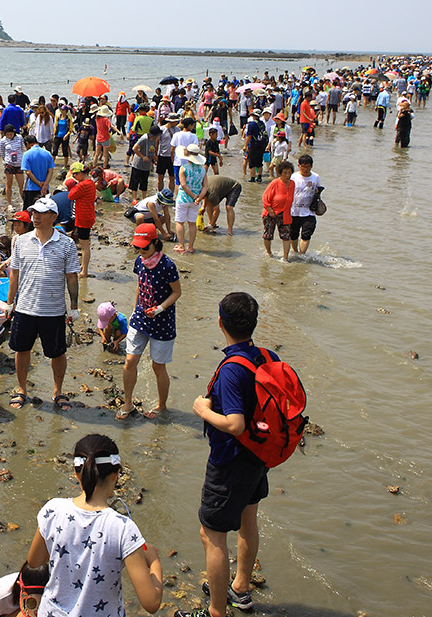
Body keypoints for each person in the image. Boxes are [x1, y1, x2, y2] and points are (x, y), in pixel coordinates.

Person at [179, 292, 276, 617]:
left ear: (221, 323)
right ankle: (240, 589)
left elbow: (234, 424)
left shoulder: (233, 369)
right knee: (248, 521)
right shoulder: (266, 355)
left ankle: (216, 611)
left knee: (212, 535)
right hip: (258, 458)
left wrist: (201, 410)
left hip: (230, 461)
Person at [23, 434, 164, 617]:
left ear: (76, 473)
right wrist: (154, 561)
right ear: (116, 475)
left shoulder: (53, 510)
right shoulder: (123, 528)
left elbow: (34, 561)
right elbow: (151, 603)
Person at [5, 197, 80, 412]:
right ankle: (21, 389)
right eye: (33, 212)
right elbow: (14, 275)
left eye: (41, 212)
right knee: (21, 349)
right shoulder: (21, 241)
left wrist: (74, 307)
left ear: (53, 217)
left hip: (54, 309)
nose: (35, 216)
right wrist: (9, 303)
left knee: (57, 352)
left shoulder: (66, 244)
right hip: (25, 307)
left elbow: (72, 277)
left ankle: (57, 391)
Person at [118, 224, 181, 420]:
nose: (141, 252)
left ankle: (162, 405)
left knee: (158, 366)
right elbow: (140, 285)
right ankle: (128, 403)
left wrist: (161, 308)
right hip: (140, 318)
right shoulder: (139, 261)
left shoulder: (168, 266)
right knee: (130, 361)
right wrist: (135, 309)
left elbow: (177, 292)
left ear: (155, 243)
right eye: (138, 248)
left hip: (163, 322)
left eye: (145, 248)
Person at [65, 162, 97, 279]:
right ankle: (83, 267)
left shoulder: (82, 185)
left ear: (80, 173)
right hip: (88, 215)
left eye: (74, 175)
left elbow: (70, 196)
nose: (73, 177)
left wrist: (71, 182)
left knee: (84, 246)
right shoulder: (91, 183)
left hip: (83, 217)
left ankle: (84, 270)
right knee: (85, 244)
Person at [174, 144, 206, 254]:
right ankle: (191, 247)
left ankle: (182, 246)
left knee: (180, 222)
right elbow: (205, 186)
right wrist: (198, 198)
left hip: (183, 198)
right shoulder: (203, 170)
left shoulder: (184, 168)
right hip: (196, 201)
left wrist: (193, 196)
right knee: (192, 223)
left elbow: (183, 185)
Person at [290, 154, 321, 258]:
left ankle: (301, 255)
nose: (305, 169)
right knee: (293, 235)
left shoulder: (315, 177)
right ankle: (295, 252)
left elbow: (318, 191)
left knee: (306, 234)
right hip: (294, 211)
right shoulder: (293, 176)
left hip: (309, 211)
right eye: (303, 166)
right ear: (299, 165)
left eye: (308, 166)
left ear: (311, 166)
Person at [20, 135, 54, 210]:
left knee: (29, 211)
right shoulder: (47, 153)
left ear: (27, 143)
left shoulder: (27, 154)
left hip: (31, 188)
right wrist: (45, 184)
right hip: (45, 189)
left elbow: (28, 173)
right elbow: (50, 171)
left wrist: (38, 183)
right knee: (43, 210)